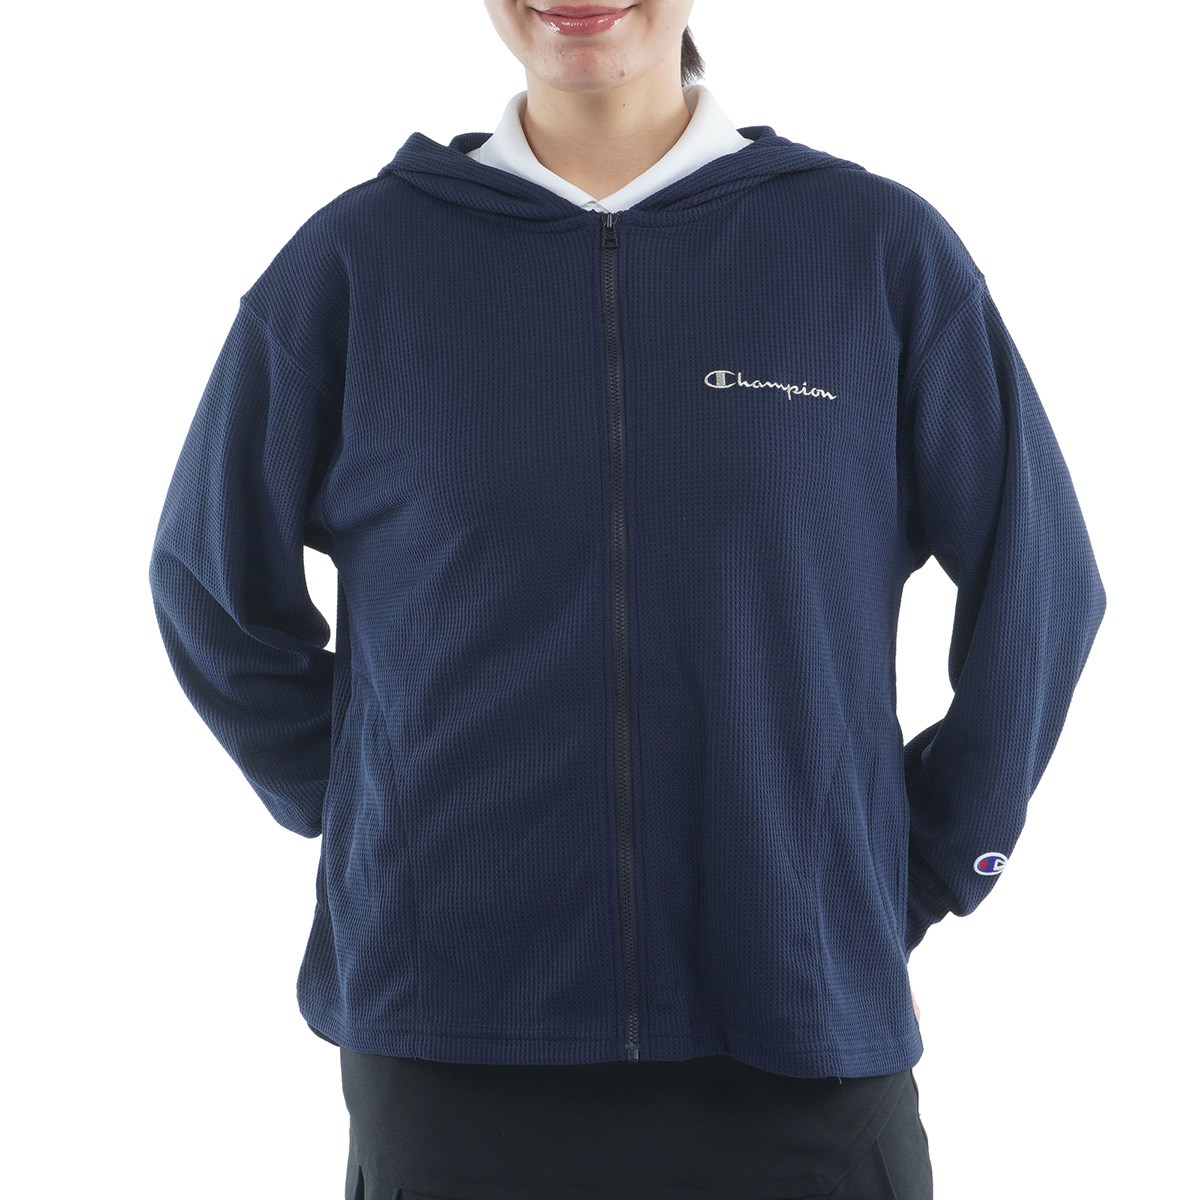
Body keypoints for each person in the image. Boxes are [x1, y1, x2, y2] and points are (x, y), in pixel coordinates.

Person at [147, 2, 1107, 1197]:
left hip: (797, 1027)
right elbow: (208, 583)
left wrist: (931, 858)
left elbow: (1041, 583)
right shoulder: (358, 263)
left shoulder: (872, 250)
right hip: (454, 1041)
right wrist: (383, 812)